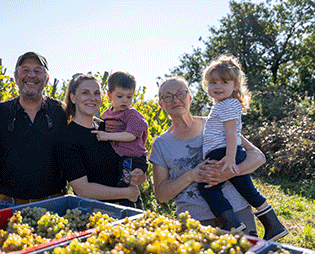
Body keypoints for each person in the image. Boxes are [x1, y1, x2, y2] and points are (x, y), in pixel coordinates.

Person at [149, 76, 266, 237]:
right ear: (161, 104)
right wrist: (191, 175)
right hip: (195, 223)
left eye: (181, 93)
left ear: (190, 98)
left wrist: (228, 172)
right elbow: (162, 194)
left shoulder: (214, 123)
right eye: (167, 96)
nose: (175, 99)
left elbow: (258, 157)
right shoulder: (161, 144)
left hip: (238, 214)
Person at [199, 55, 288, 240]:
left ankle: (231, 222)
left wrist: (230, 158)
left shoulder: (227, 105)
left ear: (236, 85)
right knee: (248, 190)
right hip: (226, 151)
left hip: (223, 152)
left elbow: (232, 134)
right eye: (213, 82)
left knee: (207, 187)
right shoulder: (225, 105)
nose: (217, 86)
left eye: (224, 82)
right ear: (206, 84)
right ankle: (274, 225)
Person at [53, 74, 145, 209]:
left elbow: (132, 160)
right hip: (95, 215)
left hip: (129, 209)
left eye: (97, 93)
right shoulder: (67, 138)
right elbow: (83, 190)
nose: (92, 98)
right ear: (73, 97)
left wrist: (140, 176)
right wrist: (126, 193)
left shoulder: (108, 129)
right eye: (85, 93)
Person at [0, 52, 68, 208]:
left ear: (46, 79)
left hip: (55, 205)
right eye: (25, 70)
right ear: (15, 77)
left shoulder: (61, 112)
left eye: (37, 70)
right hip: (7, 206)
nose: (31, 75)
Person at [91, 71, 148, 208]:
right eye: (120, 96)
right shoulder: (107, 113)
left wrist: (107, 136)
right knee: (118, 183)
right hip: (120, 158)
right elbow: (108, 125)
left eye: (129, 96)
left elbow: (130, 135)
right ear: (109, 94)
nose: (125, 100)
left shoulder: (133, 115)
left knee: (125, 187)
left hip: (132, 158)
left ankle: (135, 212)